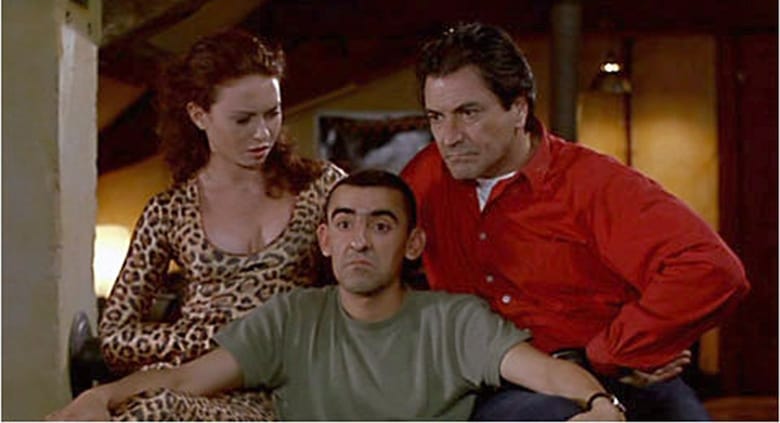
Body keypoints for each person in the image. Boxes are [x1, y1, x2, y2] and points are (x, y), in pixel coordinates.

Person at [49, 170, 626, 421]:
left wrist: (604, 407)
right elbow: (184, 381)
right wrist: (99, 399)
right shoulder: (293, 317)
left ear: (412, 243)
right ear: (324, 240)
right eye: (345, 224)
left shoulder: (453, 320)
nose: (360, 241)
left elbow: (547, 373)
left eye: (381, 225)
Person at [400, 22, 750, 421]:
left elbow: (712, 268)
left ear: (519, 109)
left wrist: (620, 350)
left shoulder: (593, 183)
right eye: (436, 117)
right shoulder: (424, 178)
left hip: (616, 374)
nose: (449, 137)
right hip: (499, 383)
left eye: (468, 113)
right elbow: (365, 260)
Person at [95, 29, 344, 420]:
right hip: (195, 379)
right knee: (150, 406)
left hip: (288, 386)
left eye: (272, 113)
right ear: (199, 116)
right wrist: (215, 339)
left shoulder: (323, 187)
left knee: (158, 408)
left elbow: (366, 293)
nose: (262, 133)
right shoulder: (170, 211)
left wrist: (272, 342)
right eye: (243, 119)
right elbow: (114, 337)